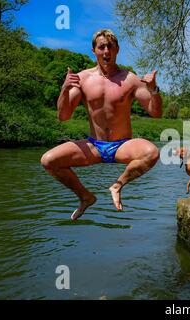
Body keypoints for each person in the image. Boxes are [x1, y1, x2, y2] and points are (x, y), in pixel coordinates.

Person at [40, 29, 162, 220]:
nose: (106, 51)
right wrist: (64, 89)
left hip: (123, 145)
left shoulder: (130, 79)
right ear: (94, 50)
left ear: (117, 50)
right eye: (102, 47)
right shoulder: (82, 79)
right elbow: (63, 116)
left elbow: (156, 113)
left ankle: (118, 184)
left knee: (152, 153)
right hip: (94, 145)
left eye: (110, 47)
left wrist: (154, 90)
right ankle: (85, 197)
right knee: (48, 160)